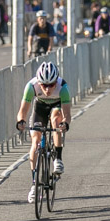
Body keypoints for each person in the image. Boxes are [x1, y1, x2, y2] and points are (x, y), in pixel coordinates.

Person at [15, 61, 72, 204]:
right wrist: (21, 121)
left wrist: (65, 124)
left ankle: (58, 158)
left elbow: (67, 114)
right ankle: (34, 184)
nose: (47, 89)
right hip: (39, 106)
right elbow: (22, 111)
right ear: (39, 83)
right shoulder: (31, 86)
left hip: (56, 106)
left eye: (51, 85)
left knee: (56, 120)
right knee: (35, 140)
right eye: (44, 85)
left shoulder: (63, 88)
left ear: (56, 82)